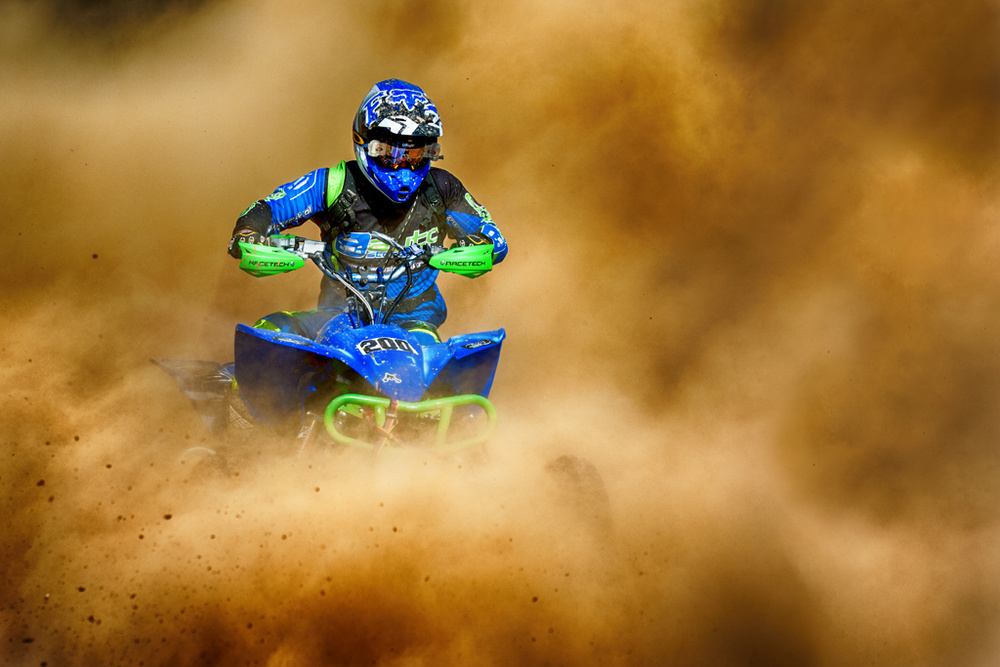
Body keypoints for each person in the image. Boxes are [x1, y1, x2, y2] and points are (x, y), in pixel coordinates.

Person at [227, 79, 507, 346]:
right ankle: (232, 383)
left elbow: (493, 237)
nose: (403, 168)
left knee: (433, 360)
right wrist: (248, 234)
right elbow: (270, 208)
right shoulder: (333, 185)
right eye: (391, 153)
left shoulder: (443, 188)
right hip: (338, 319)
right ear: (365, 142)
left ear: (431, 151)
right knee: (270, 330)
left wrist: (480, 243)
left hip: (414, 326)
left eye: (414, 156)